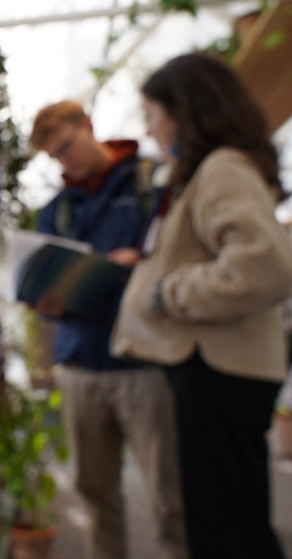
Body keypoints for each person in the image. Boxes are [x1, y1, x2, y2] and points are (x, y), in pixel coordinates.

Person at [111, 53, 292, 559]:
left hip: (218, 373)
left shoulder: (222, 168)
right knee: (227, 521)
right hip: (217, 370)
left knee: (229, 531)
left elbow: (267, 265)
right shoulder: (211, 171)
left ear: (184, 109)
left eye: (151, 114)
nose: (148, 130)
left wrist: (166, 292)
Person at [29, 101, 186, 559]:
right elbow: (46, 286)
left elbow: (177, 254)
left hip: (144, 363)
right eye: (55, 155)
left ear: (88, 127)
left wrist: (138, 266)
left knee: (169, 496)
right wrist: (48, 300)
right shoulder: (56, 212)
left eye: (67, 145)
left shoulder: (150, 182)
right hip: (80, 367)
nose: (66, 159)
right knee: (96, 497)